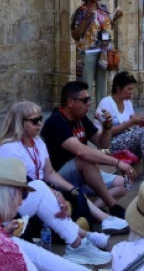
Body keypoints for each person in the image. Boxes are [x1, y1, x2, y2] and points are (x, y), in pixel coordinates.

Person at [0, 101, 118, 262]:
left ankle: (80, 239)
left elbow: (49, 172)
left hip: (35, 194)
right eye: (34, 121)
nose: (39, 124)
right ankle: (81, 240)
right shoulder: (8, 149)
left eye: (40, 119)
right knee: (40, 188)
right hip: (11, 202)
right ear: (20, 123)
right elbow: (20, 184)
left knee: (56, 191)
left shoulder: (37, 142)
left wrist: (72, 189)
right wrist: (55, 193)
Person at [40, 82, 135, 218]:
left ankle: (92, 210)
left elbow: (102, 144)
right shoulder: (56, 121)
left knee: (125, 183)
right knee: (85, 160)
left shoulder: (81, 119)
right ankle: (113, 206)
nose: (89, 103)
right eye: (85, 100)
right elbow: (82, 152)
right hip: (60, 177)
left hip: (84, 175)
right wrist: (118, 163)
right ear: (71, 102)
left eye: (89, 99)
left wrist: (107, 127)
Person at [71, 0, 123, 103]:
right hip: (87, 53)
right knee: (85, 86)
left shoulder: (103, 9)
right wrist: (86, 19)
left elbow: (107, 29)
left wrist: (114, 20)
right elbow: (75, 34)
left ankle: (102, 116)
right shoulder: (80, 11)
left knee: (102, 88)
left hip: (103, 52)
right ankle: (84, 116)